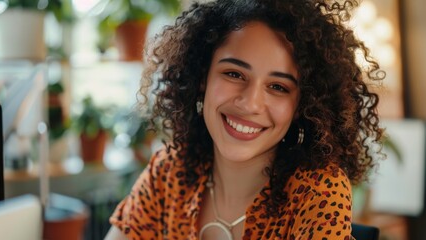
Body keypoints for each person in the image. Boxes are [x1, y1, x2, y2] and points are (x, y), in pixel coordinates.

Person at [105, 0, 385, 239]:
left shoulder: (318, 193)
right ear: (203, 76)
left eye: (278, 87)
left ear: (302, 105)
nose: (250, 103)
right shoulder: (169, 171)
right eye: (234, 74)